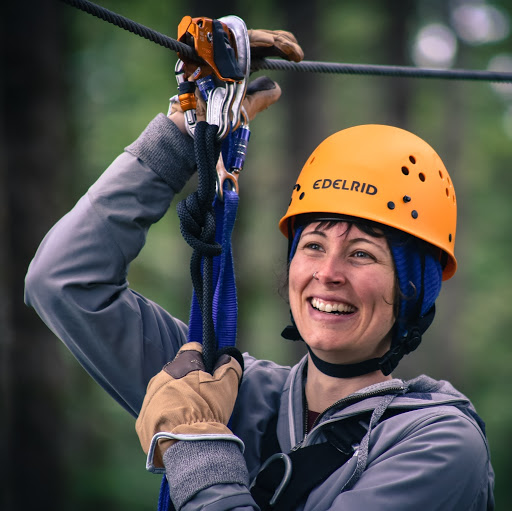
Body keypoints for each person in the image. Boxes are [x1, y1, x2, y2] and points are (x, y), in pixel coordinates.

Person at [25, 27, 494, 511]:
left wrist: (196, 446)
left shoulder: (439, 445)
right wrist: (184, 136)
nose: (327, 272)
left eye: (361, 254)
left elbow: (194, 433)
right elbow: (63, 282)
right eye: (312, 245)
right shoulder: (228, 388)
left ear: (415, 289)